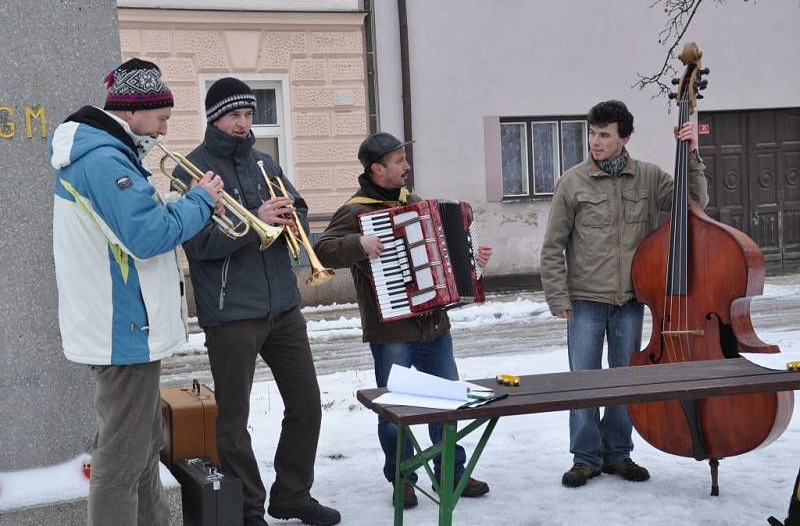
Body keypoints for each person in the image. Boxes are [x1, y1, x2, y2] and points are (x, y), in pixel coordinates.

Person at [51, 58, 224, 525]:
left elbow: (132, 227)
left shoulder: (110, 154)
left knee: (144, 445)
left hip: (126, 325)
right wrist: (200, 201)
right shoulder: (104, 159)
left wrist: (174, 204)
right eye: (162, 119)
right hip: (121, 327)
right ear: (132, 112)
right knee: (122, 457)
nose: (165, 132)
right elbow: (147, 237)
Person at [174, 77, 340, 526]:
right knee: (233, 420)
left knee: (306, 403)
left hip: (282, 306)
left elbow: (300, 209)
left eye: (248, 115)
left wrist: (290, 216)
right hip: (231, 314)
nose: (244, 124)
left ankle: (293, 495)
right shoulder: (191, 171)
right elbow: (199, 243)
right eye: (234, 116)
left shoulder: (265, 161)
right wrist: (255, 224)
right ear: (214, 118)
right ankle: (248, 509)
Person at [313, 132, 493, 508]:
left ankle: (452, 472)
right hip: (392, 330)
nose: (406, 167)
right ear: (378, 169)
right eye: (398, 161)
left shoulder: (415, 203)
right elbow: (323, 250)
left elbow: (445, 257)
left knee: (445, 401)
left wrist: (473, 260)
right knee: (396, 408)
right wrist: (357, 244)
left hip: (435, 326)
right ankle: (402, 478)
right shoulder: (355, 211)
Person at [540, 100, 709, 488]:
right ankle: (584, 458)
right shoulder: (573, 182)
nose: (595, 142)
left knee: (624, 380)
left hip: (631, 301)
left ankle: (618, 454)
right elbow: (553, 246)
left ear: (624, 138)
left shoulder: (649, 178)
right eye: (592, 134)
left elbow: (695, 203)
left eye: (604, 135)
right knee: (583, 380)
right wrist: (557, 297)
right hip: (584, 299)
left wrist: (691, 154)